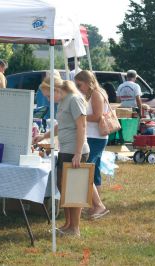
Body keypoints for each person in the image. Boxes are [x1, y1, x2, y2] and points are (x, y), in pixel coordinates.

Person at [34, 76, 89, 237]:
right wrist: (44, 136)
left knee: (75, 189)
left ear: (56, 90)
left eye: (49, 96)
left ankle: (75, 228)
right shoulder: (64, 101)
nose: (49, 99)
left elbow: (82, 126)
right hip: (66, 149)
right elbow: (61, 125)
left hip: (75, 151)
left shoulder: (74, 99)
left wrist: (78, 153)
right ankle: (68, 224)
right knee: (64, 187)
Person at [75, 70, 110, 220]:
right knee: (93, 171)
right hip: (93, 136)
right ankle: (94, 205)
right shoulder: (91, 93)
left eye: (79, 85)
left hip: (96, 137)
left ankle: (98, 205)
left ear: (88, 82)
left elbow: (97, 116)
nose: (78, 88)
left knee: (85, 170)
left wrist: (79, 117)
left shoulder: (96, 94)